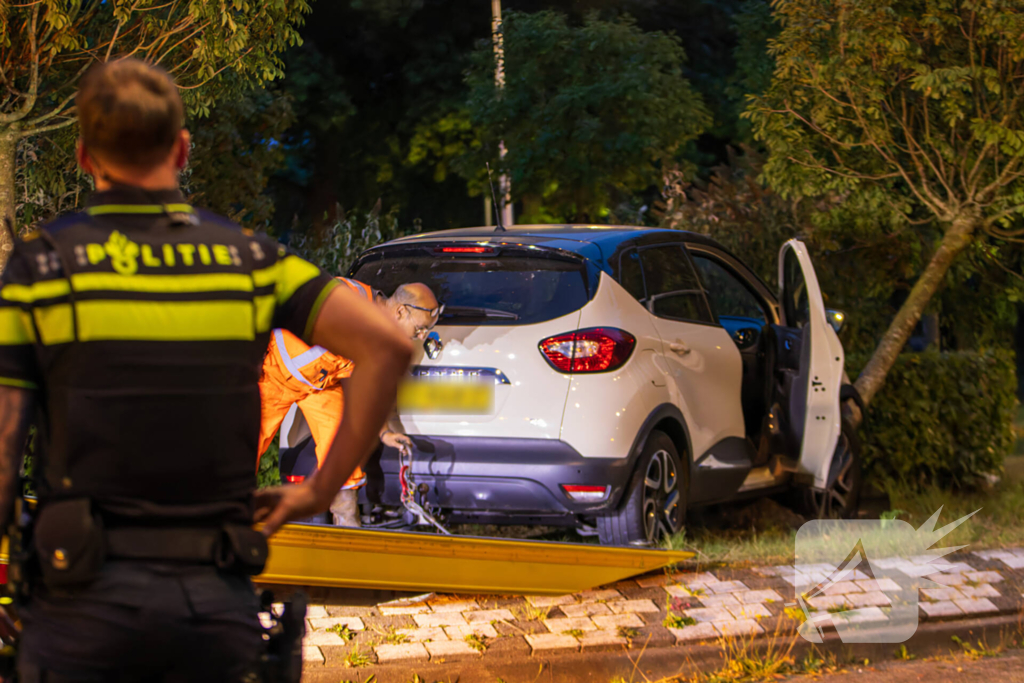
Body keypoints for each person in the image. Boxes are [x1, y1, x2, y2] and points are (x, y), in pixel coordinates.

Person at [0, 58, 412, 682]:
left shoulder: (41, 268)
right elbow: (387, 348)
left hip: (80, 601)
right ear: (182, 150)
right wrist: (317, 490)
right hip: (212, 602)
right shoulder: (251, 258)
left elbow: (5, 442)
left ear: (85, 157)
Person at [258, 280, 441, 526]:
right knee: (244, 446)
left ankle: (348, 528)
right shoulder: (346, 297)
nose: (421, 337)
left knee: (341, 453)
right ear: (400, 311)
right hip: (275, 375)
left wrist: (384, 433)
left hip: (321, 386)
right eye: (420, 329)